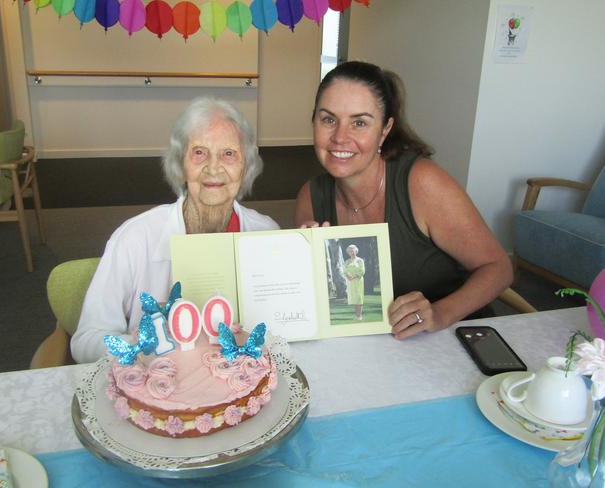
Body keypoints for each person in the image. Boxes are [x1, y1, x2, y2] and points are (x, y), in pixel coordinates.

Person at [295, 61, 513, 340]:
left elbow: (499, 269)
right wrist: (304, 266)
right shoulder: (309, 198)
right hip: (370, 346)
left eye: (359, 122)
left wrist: (440, 313)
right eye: (328, 119)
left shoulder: (422, 183)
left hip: (451, 340)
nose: (340, 137)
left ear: (384, 130)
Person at [71, 97, 279, 363]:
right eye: (199, 153)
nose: (213, 168)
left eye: (228, 154)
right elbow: (86, 340)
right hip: (159, 391)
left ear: (246, 166)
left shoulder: (267, 234)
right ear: (180, 165)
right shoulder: (135, 238)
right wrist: (143, 347)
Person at [343, 244, 365, 320]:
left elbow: (362, 271)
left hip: (358, 281)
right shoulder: (347, 261)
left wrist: (354, 276)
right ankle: (357, 315)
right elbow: (344, 271)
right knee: (354, 299)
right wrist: (348, 277)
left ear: (356, 251)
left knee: (359, 298)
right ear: (348, 253)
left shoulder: (360, 260)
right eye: (350, 251)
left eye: (353, 251)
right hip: (350, 282)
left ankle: (360, 316)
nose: (351, 252)